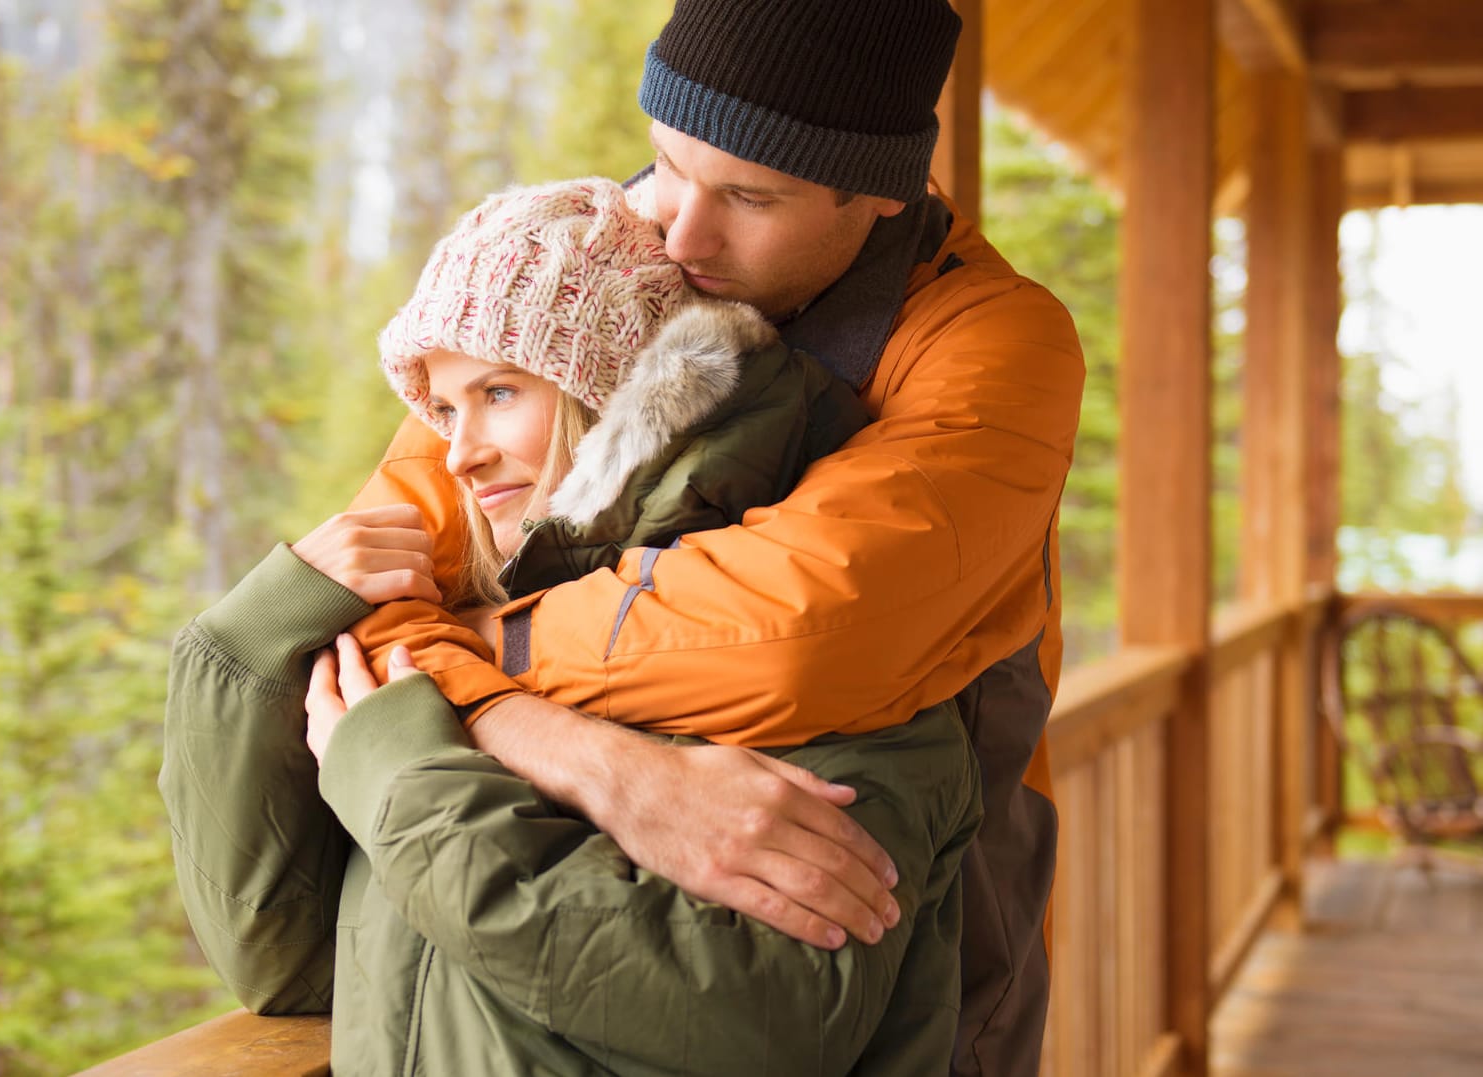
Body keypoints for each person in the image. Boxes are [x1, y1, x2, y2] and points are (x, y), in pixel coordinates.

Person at [341, 3, 1086, 1073]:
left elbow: (801, 637)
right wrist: (586, 760)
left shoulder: (992, 342)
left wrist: (474, 657)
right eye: (665, 165)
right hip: (544, 958)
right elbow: (371, 578)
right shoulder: (593, 266)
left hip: (900, 941)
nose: (679, 234)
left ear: (880, 191)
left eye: (749, 195)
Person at [162, 178, 983, 1075]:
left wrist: (402, 779)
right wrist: (242, 651)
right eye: (443, 408)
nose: (457, 453)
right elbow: (282, 963)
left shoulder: (826, 651)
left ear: (626, 401)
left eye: (500, 392)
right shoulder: (453, 638)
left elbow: (753, 1016)